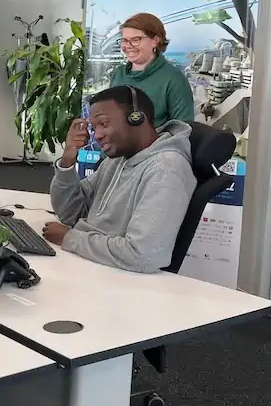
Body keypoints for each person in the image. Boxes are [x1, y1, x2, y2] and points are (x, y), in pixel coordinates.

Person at [43, 86, 197, 273]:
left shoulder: (165, 169)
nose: (97, 135)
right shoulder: (118, 160)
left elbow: (143, 255)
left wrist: (70, 238)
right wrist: (67, 161)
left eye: (104, 124)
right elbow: (71, 214)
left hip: (117, 276)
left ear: (137, 118)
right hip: (94, 263)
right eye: (94, 128)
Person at [109, 12, 194, 127]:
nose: (128, 46)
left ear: (155, 40)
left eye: (135, 39)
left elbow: (184, 130)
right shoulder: (118, 74)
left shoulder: (174, 79)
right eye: (124, 40)